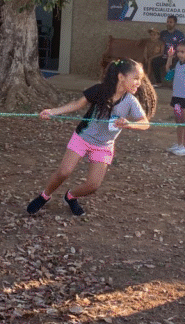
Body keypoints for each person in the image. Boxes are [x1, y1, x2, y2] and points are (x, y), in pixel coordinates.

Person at [26, 57, 152, 217]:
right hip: (83, 137)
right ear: (121, 77)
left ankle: (70, 197)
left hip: (104, 145)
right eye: (135, 78)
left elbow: (145, 123)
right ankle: (45, 196)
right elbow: (77, 104)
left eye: (140, 79)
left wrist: (129, 124)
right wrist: (53, 111)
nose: (138, 83)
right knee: (64, 172)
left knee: (93, 185)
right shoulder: (100, 90)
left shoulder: (131, 101)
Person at [150, 15, 185, 87]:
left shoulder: (179, 34)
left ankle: (172, 83)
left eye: (171, 22)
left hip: (175, 57)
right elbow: (154, 39)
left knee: (174, 65)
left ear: (175, 23)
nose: (168, 23)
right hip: (164, 56)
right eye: (167, 22)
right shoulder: (163, 33)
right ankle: (158, 82)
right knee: (155, 62)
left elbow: (182, 47)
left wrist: (175, 55)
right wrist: (142, 40)